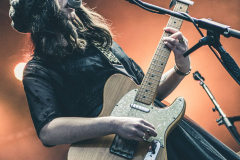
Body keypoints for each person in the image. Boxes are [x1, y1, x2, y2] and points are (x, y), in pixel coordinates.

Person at [9, 0, 240, 159]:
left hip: (162, 134)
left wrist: (181, 66)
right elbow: (48, 130)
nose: (72, 2)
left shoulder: (99, 43)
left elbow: (148, 95)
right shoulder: (38, 68)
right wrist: (114, 123)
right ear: (42, 10)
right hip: (111, 152)